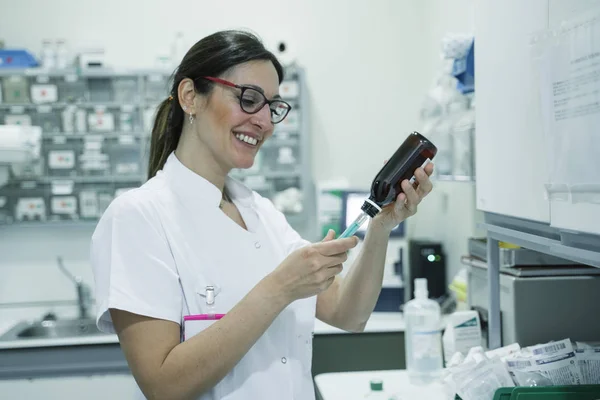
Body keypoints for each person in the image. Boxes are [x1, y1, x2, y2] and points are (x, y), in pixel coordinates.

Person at [90, 30, 434, 400]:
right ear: (190, 97)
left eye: (272, 106)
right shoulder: (139, 217)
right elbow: (163, 385)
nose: (265, 122)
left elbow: (348, 314)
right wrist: (280, 288)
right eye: (249, 99)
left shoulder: (262, 214)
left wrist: (381, 226)